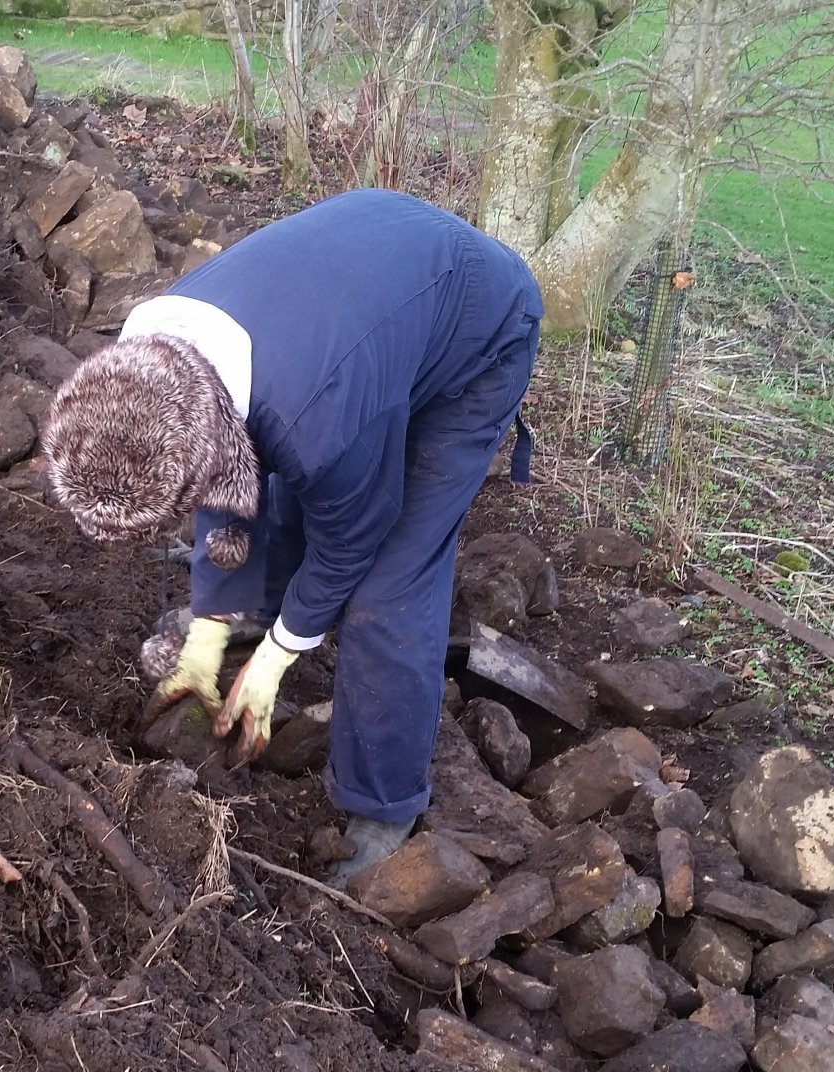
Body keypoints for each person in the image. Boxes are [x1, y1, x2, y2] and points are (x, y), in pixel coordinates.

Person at [40, 188, 544, 880]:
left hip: (474, 329)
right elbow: (226, 472)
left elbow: (351, 541)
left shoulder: (317, 420)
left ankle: (384, 802)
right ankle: (263, 620)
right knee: (283, 486)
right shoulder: (146, 356)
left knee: (388, 584)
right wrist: (207, 638)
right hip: (371, 285)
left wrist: (278, 660)